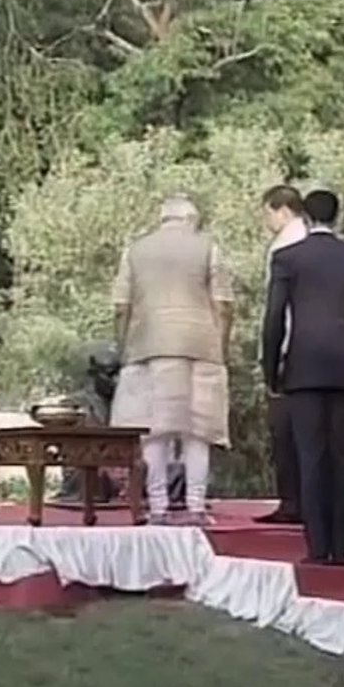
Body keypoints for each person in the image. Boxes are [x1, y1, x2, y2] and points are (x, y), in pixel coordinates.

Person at [262, 188, 344, 566]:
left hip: (304, 369)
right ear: (337, 216)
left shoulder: (288, 258)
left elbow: (274, 318)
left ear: (306, 217)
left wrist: (271, 369)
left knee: (310, 456)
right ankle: (342, 549)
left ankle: (317, 547)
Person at [110, 194, 234, 526]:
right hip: (201, 347)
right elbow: (223, 303)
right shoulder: (208, 246)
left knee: (153, 431)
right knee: (198, 431)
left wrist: (123, 346)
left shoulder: (135, 250)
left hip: (147, 347)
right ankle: (195, 506)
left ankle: (159, 506)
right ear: (191, 220)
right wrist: (221, 345)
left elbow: (121, 305)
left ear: (162, 218)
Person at [253, 185, 307, 525]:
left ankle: (293, 501)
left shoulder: (288, 246)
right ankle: (301, 500)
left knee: (286, 431)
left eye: (267, 213)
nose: (266, 221)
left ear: (282, 210)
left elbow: (278, 312)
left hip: (292, 350)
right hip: (306, 350)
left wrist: (271, 361)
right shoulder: (306, 239)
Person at [56, 341, 123, 503]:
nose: (115, 380)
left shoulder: (129, 401)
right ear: (93, 373)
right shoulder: (73, 405)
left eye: (119, 374)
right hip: (87, 476)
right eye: (109, 373)